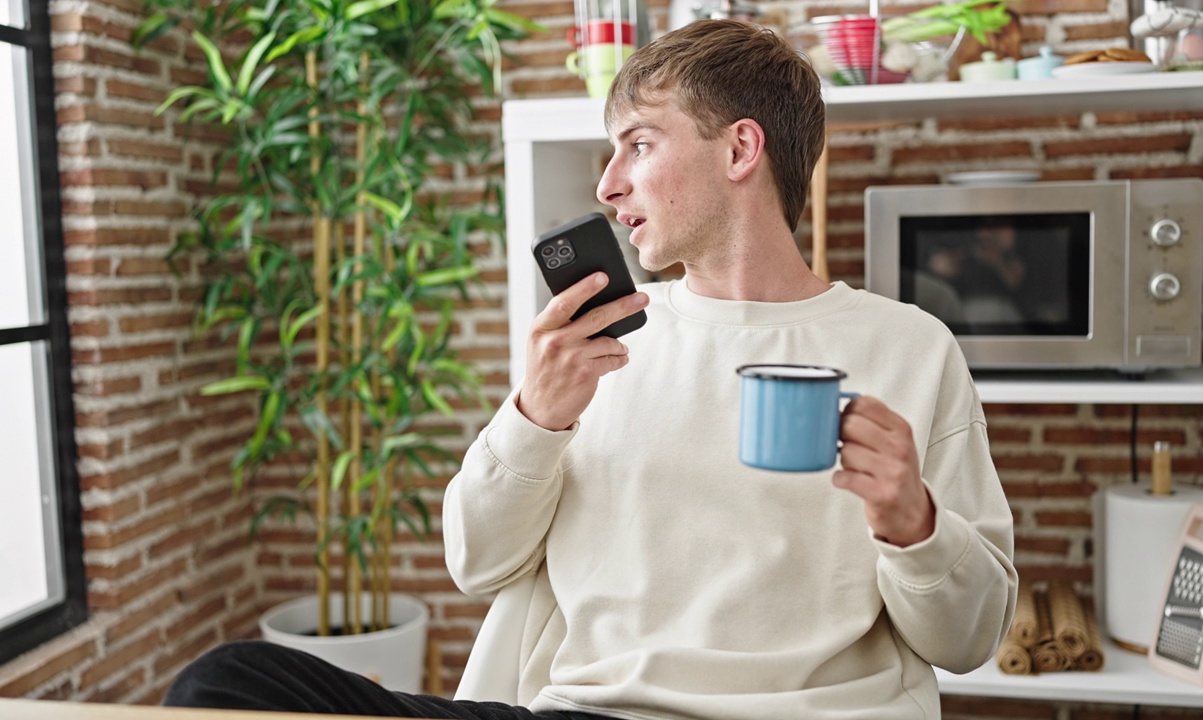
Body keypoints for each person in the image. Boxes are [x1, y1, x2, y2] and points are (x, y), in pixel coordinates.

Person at [163, 18, 1016, 720]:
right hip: (589, 716)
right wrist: (534, 420)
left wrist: (917, 523)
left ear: (740, 149)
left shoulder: (909, 346)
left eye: (638, 145)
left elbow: (969, 640)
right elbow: (478, 566)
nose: (607, 185)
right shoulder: (602, 343)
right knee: (224, 684)